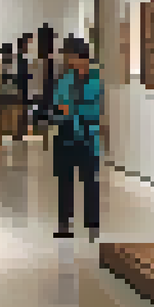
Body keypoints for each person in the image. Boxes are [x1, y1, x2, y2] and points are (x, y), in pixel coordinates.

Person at [51, 36, 103, 241]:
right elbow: (59, 106)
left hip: (88, 138)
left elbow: (94, 109)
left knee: (90, 181)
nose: (67, 61)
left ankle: (92, 224)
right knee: (64, 181)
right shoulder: (64, 80)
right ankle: (64, 223)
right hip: (65, 135)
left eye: (69, 56)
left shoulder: (96, 80)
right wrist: (69, 110)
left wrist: (71, 109)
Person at [15, 33, 33, 139]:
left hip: (24, 88)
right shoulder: (20, 59)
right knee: (21, 111)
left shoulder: (23, 58)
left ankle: (21, 131)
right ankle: (19, 132)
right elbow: (20, 75)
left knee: (24, 110)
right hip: (21, 89)